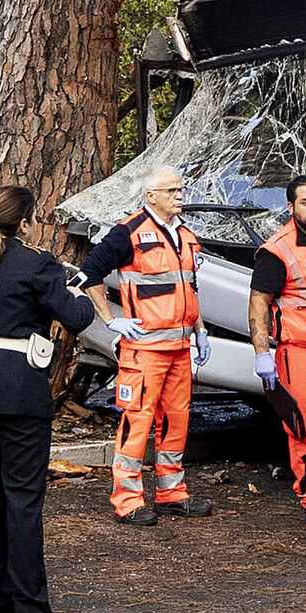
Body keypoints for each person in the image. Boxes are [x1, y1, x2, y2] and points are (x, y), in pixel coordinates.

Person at [0, 186, 95, 613]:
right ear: (27, 222)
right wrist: (82, 292)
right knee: (23, 497)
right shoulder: (38, 263)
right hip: (19, 384)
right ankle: (31, 608)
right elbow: (74, 318)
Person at [80, 166, 215, 526]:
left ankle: (172, 493)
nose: (179, 196)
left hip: (179, 347)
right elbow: (89, 273)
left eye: (181, 190)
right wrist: (110, 318)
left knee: (176, 422)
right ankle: (128, 500)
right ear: (150, 196)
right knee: (137, 422)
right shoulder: (128, 232)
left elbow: (188, 287)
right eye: (171, 191)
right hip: (144, 351)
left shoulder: (184, 235)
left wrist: (200, 329)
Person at [249, 175, 306, 526]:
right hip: (299, 350)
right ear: (291, 207)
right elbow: (259, 303)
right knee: (304, 423)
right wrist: (261, 352)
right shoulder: (278, 249)